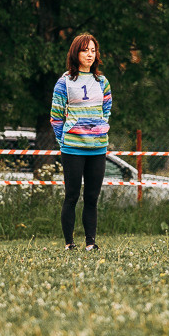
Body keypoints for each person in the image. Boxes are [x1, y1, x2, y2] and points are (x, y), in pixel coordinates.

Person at [50, 33, 112, 250]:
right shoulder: (64, 82)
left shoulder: (102, 82)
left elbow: (106, 110)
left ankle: (90, 243)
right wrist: (64, 141)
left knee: (92, 197)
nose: (89, 54)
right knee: (72, 196)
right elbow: (56, 116)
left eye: (93, 50)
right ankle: (69, 243)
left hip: (97, 148)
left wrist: (99, 129)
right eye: (85, 50)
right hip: (73, 148)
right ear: (75, 53)